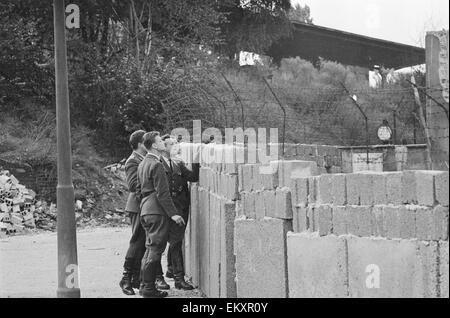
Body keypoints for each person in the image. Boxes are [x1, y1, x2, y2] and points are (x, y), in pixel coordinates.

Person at [136, 131, 185, 298]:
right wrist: (174, 214)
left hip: (146, 209)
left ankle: (145, 285)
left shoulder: (143, 163)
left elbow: (138, 190)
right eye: (160, 141)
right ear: (155, 146)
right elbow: (163, 193)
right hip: (156, 211)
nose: (164, 143)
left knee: (150, 248)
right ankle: (149, 289)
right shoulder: (157, 165)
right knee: (156, 249)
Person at [155, 135, 199, 290]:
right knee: (159, 245)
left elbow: (193, 177)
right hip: (165, 209)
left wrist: (196, 158)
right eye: (171, 144)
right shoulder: (157, 164)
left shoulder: (178, 163)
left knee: (175, 242)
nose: (175, 146)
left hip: (179, 209)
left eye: (175, 143)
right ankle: (165, 276)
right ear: (164, 147)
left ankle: (176, 276)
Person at [119, 130, 147, 296]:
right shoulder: (132, 161)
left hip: (143, 205)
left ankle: (136, 278)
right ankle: (126, 278)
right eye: (145, 142)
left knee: (143, 243)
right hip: (138, 206)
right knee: (137, 241)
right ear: (139, 144)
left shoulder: (142, 159)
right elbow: (132, 185)